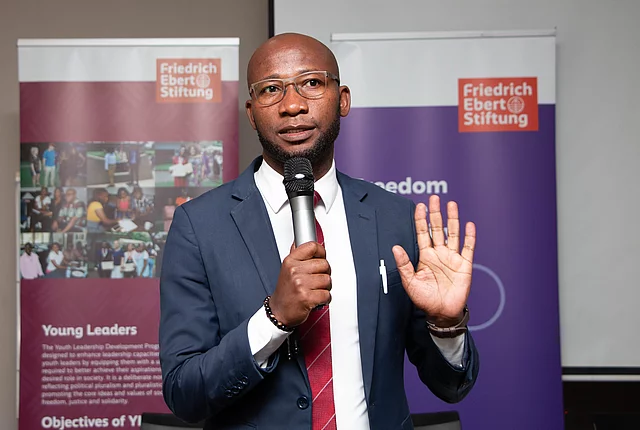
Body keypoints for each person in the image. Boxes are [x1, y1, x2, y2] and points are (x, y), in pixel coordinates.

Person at [159, 33, 479, 430]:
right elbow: (184, 394)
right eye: (271, 90)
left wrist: (446, 325)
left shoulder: (395, 217)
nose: (292, 105)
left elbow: (452, 386)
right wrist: (273, 318)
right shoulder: (200, 226)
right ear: (251, 111)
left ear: (342, 99)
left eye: (311, 83)